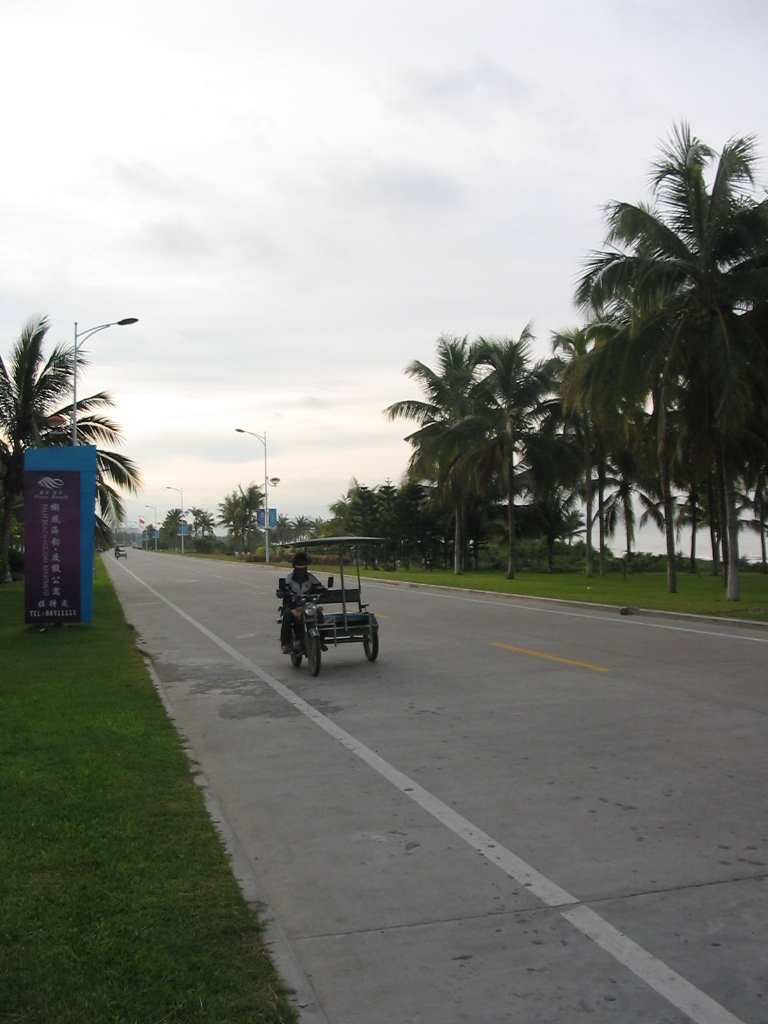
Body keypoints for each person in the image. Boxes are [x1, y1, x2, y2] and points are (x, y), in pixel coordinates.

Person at [277, 552, 326, 653]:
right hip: (292, 605)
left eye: (303, 566)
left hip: (308, 606)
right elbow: (281, 589)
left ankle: (321, 641)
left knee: (320, 615)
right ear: (294, 566)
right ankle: (286, 643)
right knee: (287, 616)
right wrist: (282, 592)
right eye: (299, 566)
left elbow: (319, 587)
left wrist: (326, 592)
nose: (301, 569)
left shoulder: (310, 578)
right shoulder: (289, 578)